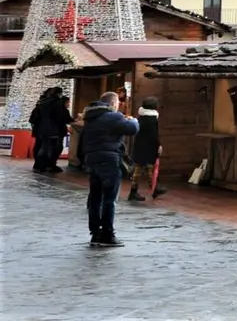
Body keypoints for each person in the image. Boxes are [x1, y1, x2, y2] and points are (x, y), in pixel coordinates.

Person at [79, 92, 139, 247]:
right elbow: (132, 129)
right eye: (118, 102)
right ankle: (107, 234)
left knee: (95, 198)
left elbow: (82, 141)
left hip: (93, 161)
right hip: (110, 161)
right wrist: (134, 120)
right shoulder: (112, 116)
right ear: (113, 103)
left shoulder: (90, 118)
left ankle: (95, 233)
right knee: (109, 199)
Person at [128, 97, 165, 202]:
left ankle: (133, 191)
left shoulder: (141, 117)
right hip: (149, 147)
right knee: (151, 168)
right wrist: (158, 145)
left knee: (138, 169)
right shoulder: (152, 119)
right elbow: (154, 135)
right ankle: (154, 188)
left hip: (139, 145)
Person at [28, 87, 70, 174]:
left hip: (42, 129)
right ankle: (48, 165)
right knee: (52, 148)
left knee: (42, 147)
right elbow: (59, 116)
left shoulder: (42, 102)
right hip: (53, 129)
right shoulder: (56, 103)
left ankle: (39, 165)